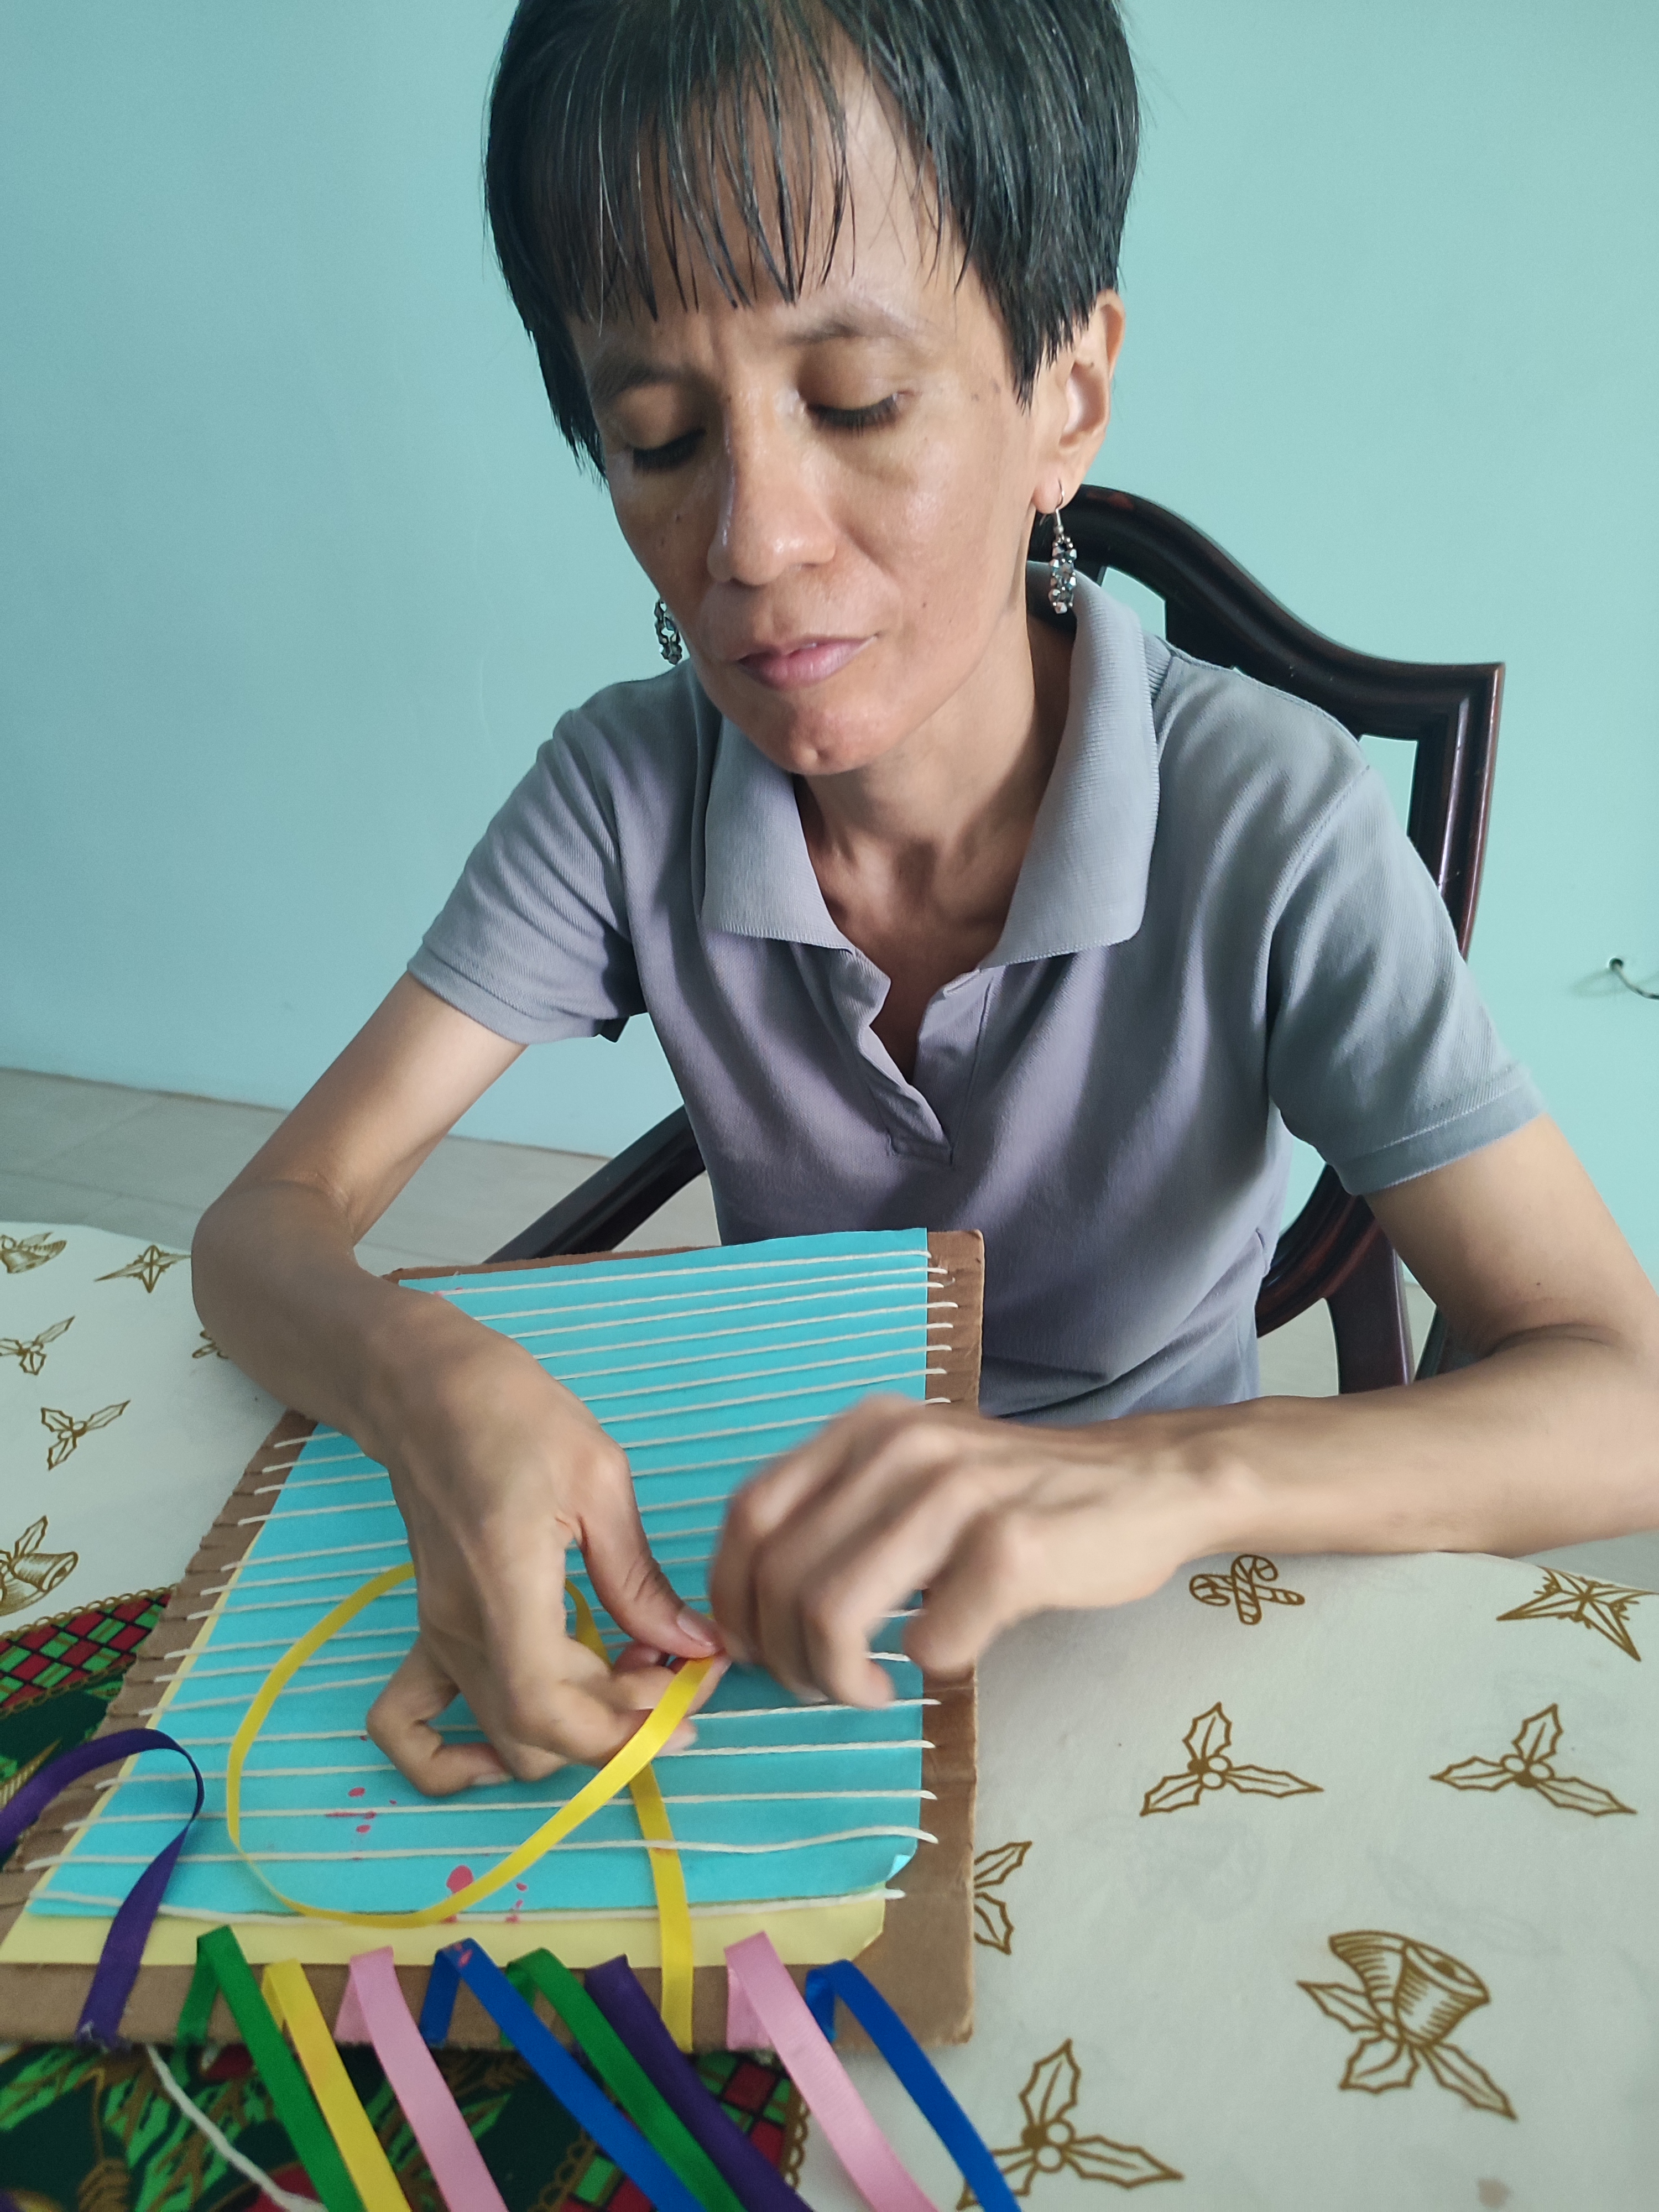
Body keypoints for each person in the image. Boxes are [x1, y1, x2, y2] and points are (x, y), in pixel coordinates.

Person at [194, 0, 1659, 1798]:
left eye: (859, 403)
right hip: (784, 1596)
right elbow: (261, 1233)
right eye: (658, 437)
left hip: (1157, 1628)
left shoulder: (1270, 821)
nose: (753, 543)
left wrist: (1155, 1477)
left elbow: (1623, 1395)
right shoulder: (625, 788)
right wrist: (430, 1381)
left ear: (1069, 395)